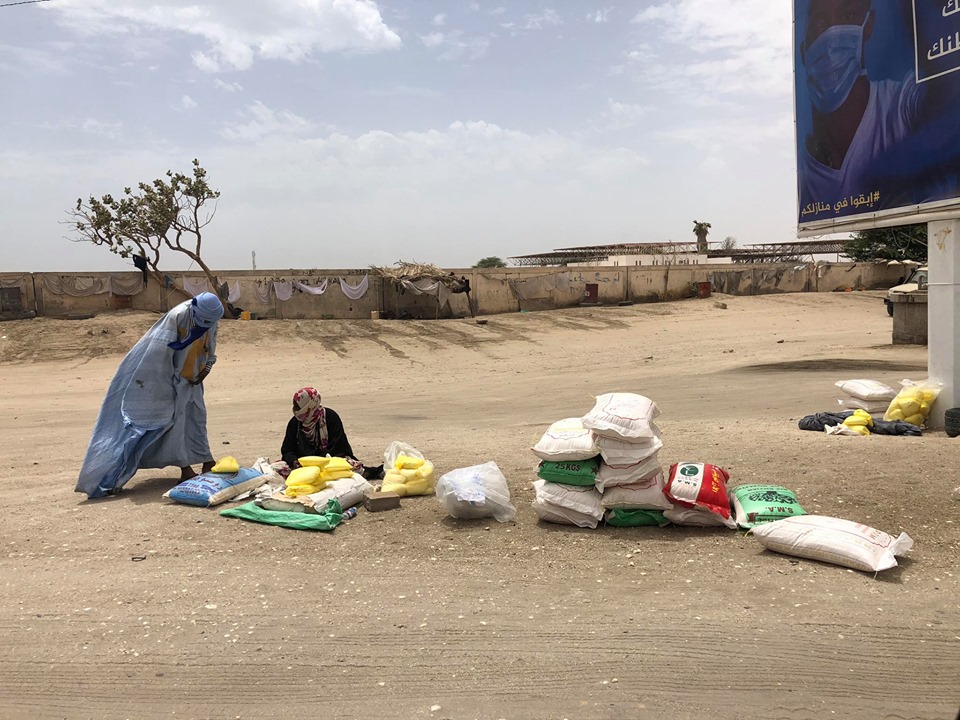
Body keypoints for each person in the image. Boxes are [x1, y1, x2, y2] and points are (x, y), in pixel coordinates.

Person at [798, 0, 959, 215]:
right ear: (803, 51)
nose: (832, 35)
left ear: (869, 24)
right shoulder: (805, 179)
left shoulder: (903, 103)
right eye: (820, 24)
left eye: (847, 16)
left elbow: (944, 105)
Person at [76, 292, 225, 498]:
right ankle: (185, 468)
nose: (208, 325)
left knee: (197, 420)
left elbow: (210, 344)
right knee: (174, 425)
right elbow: (158, 353)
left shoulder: (210, 320)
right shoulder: (179, 316)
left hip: (192, 380)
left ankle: (207, 461)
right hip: (168, 380)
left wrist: (206, 367)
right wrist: (168, 384)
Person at [281, 387, 382, 479]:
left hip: (330, 460)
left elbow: (338, 447)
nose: (296, 410)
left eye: (298, 407)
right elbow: (287, 450)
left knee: (349, 467)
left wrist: (318, 462)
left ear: (310, 405)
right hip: (303, 465)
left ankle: (373, 473)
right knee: (280, 467)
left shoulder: (330, 417)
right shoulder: (295, 423)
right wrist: (295, 461)